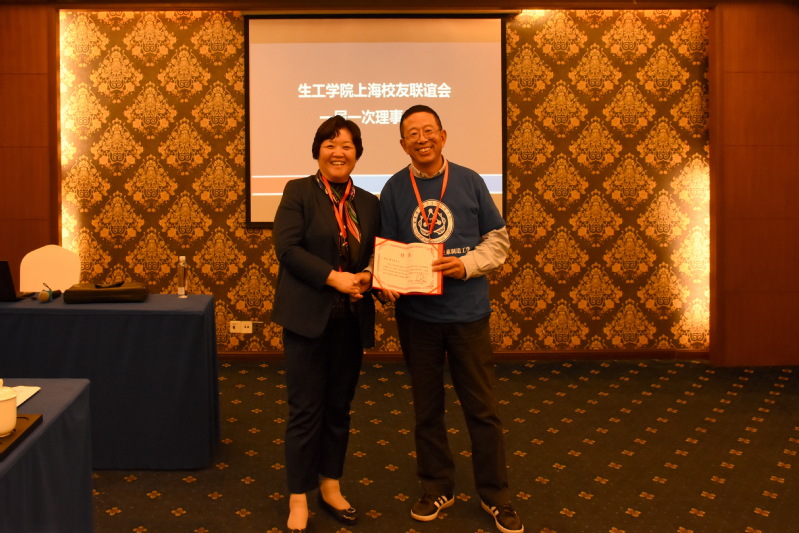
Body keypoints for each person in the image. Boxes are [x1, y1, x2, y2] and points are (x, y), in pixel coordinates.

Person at [378, 105, 524, 533]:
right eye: (412, 133)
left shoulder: (471, 180)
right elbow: (385, 249)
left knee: (482, 409)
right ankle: (437, 486)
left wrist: (466, 265)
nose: (421, 139)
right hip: (417, 317)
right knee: (427, 409)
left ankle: (495, 494)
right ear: (402, 144)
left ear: (443, 136)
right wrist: (384, 281)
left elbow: (498, 241)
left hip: (467, 316)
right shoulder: (393, 188)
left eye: (429, 131)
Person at [272, 115, 380, 533]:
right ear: (317, 151)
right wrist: (334, 278)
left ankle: (331, 485)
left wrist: (368, 276)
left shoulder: (368, 202)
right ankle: (299, 495)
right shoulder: (298, 191)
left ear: (357, 154)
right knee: (305, 410)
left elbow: (376, 254)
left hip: (350, 321)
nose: (338, 152)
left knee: (339, 408)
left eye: (347, 146)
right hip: (306, 319)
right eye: (330, 144)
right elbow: (288, 249)